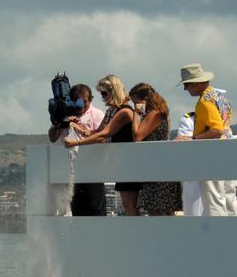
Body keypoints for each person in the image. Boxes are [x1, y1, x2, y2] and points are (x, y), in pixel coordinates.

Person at [65, 75, 137, 215]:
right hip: (121, 162)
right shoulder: (112, 110)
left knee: (130, 204)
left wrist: (76, 142)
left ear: (114, 91)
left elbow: (103, 135)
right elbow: (97, 132)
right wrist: (80, 127)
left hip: (128, 161)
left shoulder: (124, 111)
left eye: (104, 93)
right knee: (127, 204)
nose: (103, 97)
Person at [177, 63, 237, 216]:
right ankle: (234, 234)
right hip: (228, 152)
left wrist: (193, 138)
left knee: (214, 200)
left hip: (211, 155)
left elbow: (216, 130)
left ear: (197, 83)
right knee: (229, 197)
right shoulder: (221, 98)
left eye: (187, 85)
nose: (186, 89)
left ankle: (217, 237)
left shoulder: (205, 102)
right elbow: (224, 126)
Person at [47, 83, 107, 216]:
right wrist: (59, 123)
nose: (80, 105)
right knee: (74, 209)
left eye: (84, 101)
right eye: (75, 100)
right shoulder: (64, 113)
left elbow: (102, 137)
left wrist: (80, 128)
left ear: (90, 99)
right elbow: (52, 137)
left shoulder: (97, 114)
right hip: (68, 169)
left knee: (95, 207)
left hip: (92, 169)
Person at [129, 83, 182, 216]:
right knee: (158, 210)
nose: (135, 105)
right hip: (157, 165)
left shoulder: (155, 114)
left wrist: (136, 114)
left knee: (159, 210)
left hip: (157, 167)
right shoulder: (159, 113)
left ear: (144, 100)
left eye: (136, 102)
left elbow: (137, 136)